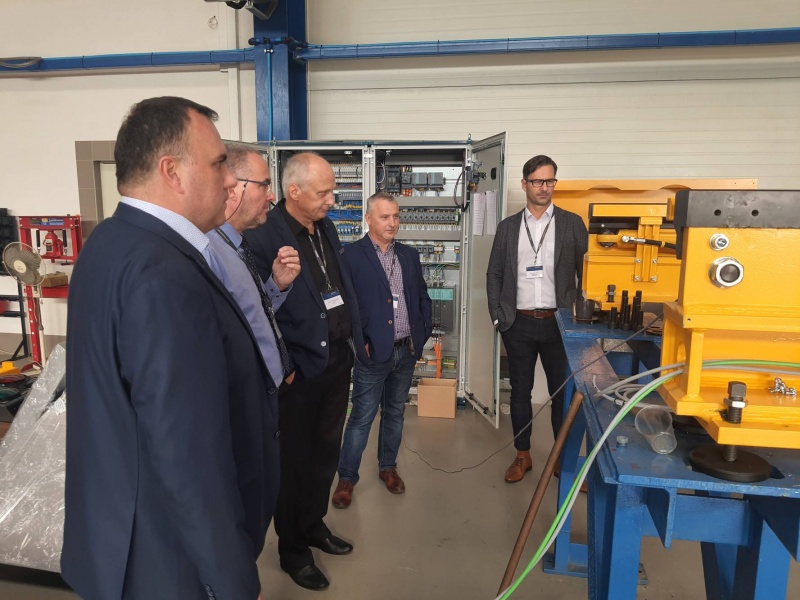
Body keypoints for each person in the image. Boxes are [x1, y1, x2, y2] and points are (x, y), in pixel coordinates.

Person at [63, 97, 273, 600]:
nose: (230, 181)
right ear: (172, 172)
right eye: (219, 163)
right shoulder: (163, 273)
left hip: (119, 537)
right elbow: (188, 453)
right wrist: (231, 579)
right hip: (166, 561)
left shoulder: (110, 242)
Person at [244, 152, 368, 591]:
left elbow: (339, 286)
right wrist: (287, 367)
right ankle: (293, 549)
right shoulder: (262, 235)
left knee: (325, 454)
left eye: (333, 191)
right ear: (293, 191)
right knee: (295, 463)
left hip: (336, 362)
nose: (332, 200)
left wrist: (354, 338)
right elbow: (257, 309)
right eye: (323, 193)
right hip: (298, 371)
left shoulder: (326, 227)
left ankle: (313, 525)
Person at [486, 154, 588, 483]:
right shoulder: (508, 228)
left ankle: (560, 458)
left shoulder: (572, 224)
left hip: (560, 324)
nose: (544, 187)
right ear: (524, 184)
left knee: (562, 394)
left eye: (549, 181)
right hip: (518, 323)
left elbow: (587, 273)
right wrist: (498, 317)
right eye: (537, 181)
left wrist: (580, 316)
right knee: (520, 393)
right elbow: (494, 273)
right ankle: (523, 455)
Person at [331, 192, 432, 509]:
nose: (392, 223)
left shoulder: (408, 255)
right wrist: (361, 342)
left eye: (396, 216)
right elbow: (347, 305)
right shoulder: (351, 256)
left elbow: (422, 297)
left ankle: (388, 467)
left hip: (406, 350)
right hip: (373, 353)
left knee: (395, 413)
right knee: (362, 416)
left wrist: (421, 334)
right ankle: (347, 478)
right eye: (385, 216)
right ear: (368, 219)